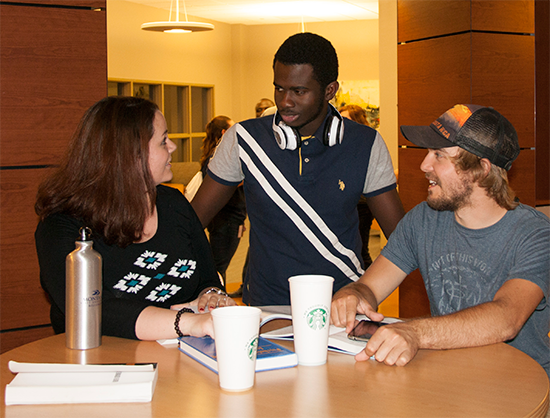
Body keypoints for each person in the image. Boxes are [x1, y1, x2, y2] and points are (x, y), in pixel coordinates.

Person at [331, 104, 550, 380]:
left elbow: (506, 318)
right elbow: (369, 287)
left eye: (439, 155)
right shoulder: (423, 220)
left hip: (522, 389)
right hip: (447, 380)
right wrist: (353, 295)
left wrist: (414, 331)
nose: (424, 165)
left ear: (481, 170)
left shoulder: (536, 234)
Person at [191, 32, 405, 306]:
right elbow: (190, 225)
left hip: (341, 309)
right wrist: (209, 285)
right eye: (279, 88)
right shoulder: (243, 139)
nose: (284, 101)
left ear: (329, 90)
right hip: (266, 309)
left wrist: (365, 290)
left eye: (299, 91)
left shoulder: (366, 144)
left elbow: (401, 241)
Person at [35, 96, 235, 341]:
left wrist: (212, 295)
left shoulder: (174, 204)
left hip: (180, 359)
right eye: (163, 141)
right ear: (130, 154)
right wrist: (190, 322)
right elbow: (90, 309)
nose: (172, 147)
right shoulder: (64, 226)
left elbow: (206, 278)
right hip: (102, 364)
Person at [200, 116, 247, 282]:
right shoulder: (218, 159)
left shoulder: (216, 156)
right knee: (218, 267)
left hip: (227, 220)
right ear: (224, 133)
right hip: (224, 220)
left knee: (219, 266)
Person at [339, 104, 375, 267]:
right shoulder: (339, 144)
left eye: (346, 120)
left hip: (361, 205)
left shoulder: (365, 144)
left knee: (360, 251)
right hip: (345, 204)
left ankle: (369, 289)